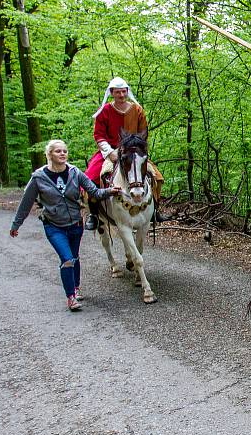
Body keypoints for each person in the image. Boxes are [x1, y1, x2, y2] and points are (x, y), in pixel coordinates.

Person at [10, 140, 120, 311]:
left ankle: (76, 288)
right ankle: (71, 297)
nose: (62, 154)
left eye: (65, 151)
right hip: (54, 226)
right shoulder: (38, 177)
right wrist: (16, 225)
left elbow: (94, 192)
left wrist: (110, 191)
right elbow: (26, 203)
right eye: (58, 151)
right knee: (67, 259)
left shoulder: (75, 173)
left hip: (75, 224)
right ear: (50, 154)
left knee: (74, 257)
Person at [84, 77, 166, 230]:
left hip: (133, 151)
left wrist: (136, 148)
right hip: (110, 151)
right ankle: (94, 214)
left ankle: (154, 210)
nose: (121, 95)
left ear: (127, 91)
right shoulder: (105, 111)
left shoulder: (137, 110)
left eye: (123, 91)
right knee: (92, 177)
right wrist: (109, 152)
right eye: (117, 92)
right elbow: (99, 135)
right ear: (112, 93)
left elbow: (143, 132)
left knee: (157, 177)